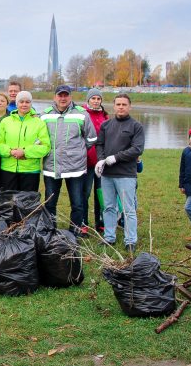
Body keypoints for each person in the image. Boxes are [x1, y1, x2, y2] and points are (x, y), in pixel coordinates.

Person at [40, 84, 97, 236]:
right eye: (60, 95)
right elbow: (39, 139)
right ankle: (50, 231)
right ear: (55, 97)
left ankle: (75, 231)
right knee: (50, 202)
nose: (63, 98)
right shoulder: (44, 115)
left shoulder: (81, 114)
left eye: (66, 95)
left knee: (77, 203)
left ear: (70, 97)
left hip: (75, 168)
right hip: (51, 167)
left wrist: (77, 151)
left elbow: (91, 138)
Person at [95, 93, 145, 255]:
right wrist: (101, 160)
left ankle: (130, 240)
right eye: (118, 104)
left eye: (124, 104)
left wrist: (115, 158)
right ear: (114, 106)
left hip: (126, 175)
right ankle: (109, 237)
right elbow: (100, 144)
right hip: (107, 175)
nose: (121, 107)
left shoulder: (136, 127)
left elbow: (137, 149)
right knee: (108, 207)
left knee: (128, 209)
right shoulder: (106, 125)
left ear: (129, 106)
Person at [0, 90, 50, 192]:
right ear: (17, 103)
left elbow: (45, 146)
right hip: (8, 170)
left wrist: (25, 152)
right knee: (8, 204)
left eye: (27, 102)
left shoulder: (39, 123)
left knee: (27, 204)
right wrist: (10, 151)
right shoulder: (6, 121)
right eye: (21, 101)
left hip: (30, 171)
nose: (24, 104)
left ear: (31, 103)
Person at [82, 88, 109, 236]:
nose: (96, 101)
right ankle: (83, 222)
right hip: (86, 162)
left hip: (101, 162)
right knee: (84, 194)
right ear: (88, 100)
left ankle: (101, 223)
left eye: (98, 99)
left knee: (101, 194)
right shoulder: (82, 114)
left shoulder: (105, 116)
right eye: (93, 98)